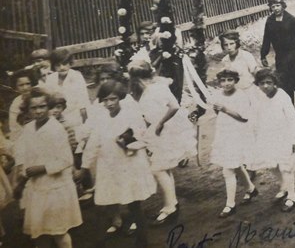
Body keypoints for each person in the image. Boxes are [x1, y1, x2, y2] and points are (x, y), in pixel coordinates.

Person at [81, 81, 155, 248]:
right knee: (103, 203)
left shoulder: (131, 115)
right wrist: (84, 167)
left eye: (113, 99)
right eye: (105, 100)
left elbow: (144, 137)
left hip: (130, 166)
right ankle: (101, 241)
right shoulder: (100, 117)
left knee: (134, 204)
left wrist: (128, 141)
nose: (109, 104)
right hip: (108, 166)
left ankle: (142, 242)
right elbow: (93, 143)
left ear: (121, 98)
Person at [128, 60, 197, 225]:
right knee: (164, 167)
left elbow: (174, 106)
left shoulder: (157, 88)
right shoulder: (143, 91)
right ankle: (171, 203)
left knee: (157, 169)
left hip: (165, 131)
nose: (138, 82)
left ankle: (170, 207)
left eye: (139, 78)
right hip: (157, 131)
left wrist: (160, 123)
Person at [14, 87, 82, 248]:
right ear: (28, 110)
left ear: (48, 107)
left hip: (55, 187)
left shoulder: (56, 129)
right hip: (37, 188)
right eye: (34, 108)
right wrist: (22, 177)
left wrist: (42, 168)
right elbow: (23, 152)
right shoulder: (29, 129)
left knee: (58, 232)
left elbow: (66, 160)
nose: (38, 111)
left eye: (42, 107)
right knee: (39, 233)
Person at [250, 69, 295, 212]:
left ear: (274, 83)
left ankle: (291, 196)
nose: (265, 86)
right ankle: (284, 186)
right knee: (272, 164)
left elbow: (292, 119)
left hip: (285, 135)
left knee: (286, 166)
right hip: (268, 136)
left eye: (269, 83)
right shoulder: (259, 97)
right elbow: (257, 116)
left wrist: (294, 140)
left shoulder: (282, 96)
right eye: (262, 83)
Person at [208, 69, 257, 218]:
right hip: (224, 133)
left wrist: (225, 109)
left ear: (236, 80)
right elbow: (218, 113)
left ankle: (230, 204)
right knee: (235, 165)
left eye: (230, 80)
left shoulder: (241, 95)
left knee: (228, 169)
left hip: (237, 134)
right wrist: (218, 110)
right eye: (223, 80)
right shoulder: (217, 95)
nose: (226, 83)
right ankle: (250, 188)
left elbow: (244, 118)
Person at [261, 0, 295, 110]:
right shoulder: (270, 21)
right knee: (284, 80)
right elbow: (266, 39)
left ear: (283, 6)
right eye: (273, 6)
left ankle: (291, 106)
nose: (276, 8)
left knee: (294, 79)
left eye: (278, 5)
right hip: (280, 55)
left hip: (293, 53)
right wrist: (263, 55)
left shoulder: (291, 20)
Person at [44, 49, 90, 127]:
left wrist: (84, 122)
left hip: (73, 115)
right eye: (58, 65)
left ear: (70, 63)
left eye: (64, 64)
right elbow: (47, 99)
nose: (61, 67)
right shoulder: (50, 78)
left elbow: (83, 102)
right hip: (55, 115)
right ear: (53, 66)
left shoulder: (77, 77)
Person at [7, 69, 36, 142]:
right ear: (16, 88)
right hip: (24, 137)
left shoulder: (39, 97)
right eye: (21, 85)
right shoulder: (16, 103)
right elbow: (14, 127)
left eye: (28, 83)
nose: (25, 88)